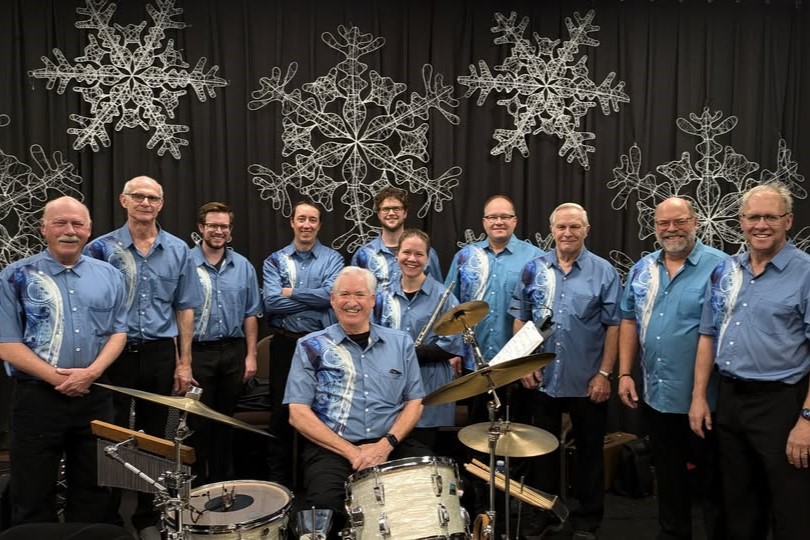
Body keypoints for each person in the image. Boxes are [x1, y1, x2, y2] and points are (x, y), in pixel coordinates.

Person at [689, 183, 810, 540]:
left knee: (791, 506)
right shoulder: (725, 271)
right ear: (741, 221)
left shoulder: (805, 272)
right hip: (730, 400)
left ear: (787, 221)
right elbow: (707, 335)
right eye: (753, 216)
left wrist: (806, 419)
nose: (761, 224)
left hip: (783, 403)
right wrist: (698, 397)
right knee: (739, 504)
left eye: (770, 217)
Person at [84, 176, 202, 535]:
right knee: (111, 431)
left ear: (161, 204)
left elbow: (185, 309)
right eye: (138, 196)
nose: (145, 203)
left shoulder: (179, 250)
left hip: (158, 353)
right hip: (112, 353)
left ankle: (149, 515)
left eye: (153, 198)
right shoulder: (101, 249)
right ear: (124, 200)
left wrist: (184, 363)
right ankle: (108, 516)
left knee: (155, 435)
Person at [0, 197, 127, 526]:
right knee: (32, 491)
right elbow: (7, 344)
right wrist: (60, 380)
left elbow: (118, 333)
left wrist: (92, 373)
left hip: (95, 396)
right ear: (44, 228)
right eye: (60, 223)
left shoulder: (110, 276)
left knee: (95, 489)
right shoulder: (15, 276)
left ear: (89, 230)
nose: (70, 231)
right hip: (37, 399)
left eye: (77, 224)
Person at [283, 266, 429, 536]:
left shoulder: (401, 343)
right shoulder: (310, 346)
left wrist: (384, 446)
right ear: (332, 299)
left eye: (360, 294)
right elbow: (298, 414)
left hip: (392, 443)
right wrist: (353, 453)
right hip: (333, 449)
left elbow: (415, 402)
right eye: (344, 294)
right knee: (324, 510)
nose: (352, 302)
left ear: (373, 300)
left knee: (429, 494)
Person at [510, 203, 621, 540]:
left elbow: (614, 326)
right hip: (542, 379)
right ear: (552, 230)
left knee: (588, 455)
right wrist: (522, 363)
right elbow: (520, 317)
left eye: (575, 227)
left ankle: (588, 521)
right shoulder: (533, 269)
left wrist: (604, 374)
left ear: (586, 230)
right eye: (561, 227)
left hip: (587, 380)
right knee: (541, 453)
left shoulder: (604, 272)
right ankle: (543, 514)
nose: (568, 233)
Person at [618, 197, 727, 540]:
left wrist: (700, 394)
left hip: (707, 399)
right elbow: (627, 320)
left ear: (695, 222)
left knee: (714, 483)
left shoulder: (722, 267)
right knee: (668, 476)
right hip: (658, 396)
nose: (671, 229)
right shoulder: (642, 269)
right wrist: (624, 373)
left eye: (679, 221)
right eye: (663, 223)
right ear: (655, 227)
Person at [262, 200, 345, 487]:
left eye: (312, 220)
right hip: (285, 346)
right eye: (301, 219)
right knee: (282, 415)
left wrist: (291, 292)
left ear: (319, 224)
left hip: (322, 347)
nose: (306, 225)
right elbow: (271, 302)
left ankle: (316, 484)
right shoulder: (275, 260)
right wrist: (315, 299)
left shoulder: (333, 259)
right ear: (292, 222)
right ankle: (280, 485)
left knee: (322, 413)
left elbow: (331, 298)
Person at [189, 202, 261, 484]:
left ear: (230, 231)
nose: (218, 231)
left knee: (225, 422)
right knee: (196, 424)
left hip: (233, 352)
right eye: (212, 226)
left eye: (224, 227)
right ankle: (196, 486)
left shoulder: (243, 266)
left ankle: (222, 485)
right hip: (197, 353)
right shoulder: (185, 263)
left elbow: (251, 314)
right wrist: (181, 361)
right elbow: (176, 314)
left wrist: (251, 356)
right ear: (201, 228)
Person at [373, 229, 463, 450]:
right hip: (390, 392)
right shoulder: (382, 296)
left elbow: (451, 346)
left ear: (428, 257)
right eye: (406, 252)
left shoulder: (445, 297)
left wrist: (403, 353)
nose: (412, 259)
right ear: (397, 255)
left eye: (419, 254)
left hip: (430, 390)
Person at [445, 195, 543, 374]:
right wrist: (452, 351)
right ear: (484, 222)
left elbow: (543, 313)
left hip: (518, 363)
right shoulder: (464, 257)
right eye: (492, 217)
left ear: (514, 221)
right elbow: (450, 308)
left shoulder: (536, 258)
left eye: (505, 217)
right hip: (472, 361)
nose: (498, 222)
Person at [352, 187, 442, 289]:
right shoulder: (363, 255)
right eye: (386, 209)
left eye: (396, 209)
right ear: (378, 214)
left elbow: (437, 293)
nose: (391, 213)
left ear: (405, 213)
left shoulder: (427, 253)